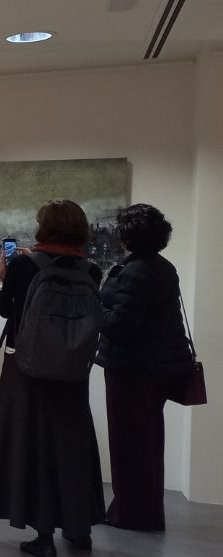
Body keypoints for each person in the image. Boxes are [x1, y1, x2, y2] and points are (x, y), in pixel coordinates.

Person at [0, 199, 105, 557]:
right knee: (72, 447)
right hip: (73, 373)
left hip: (27, 369)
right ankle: (79, 530)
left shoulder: (23, 265)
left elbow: (6, 308)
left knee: (32, 445)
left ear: (44, 228)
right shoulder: (91, 270)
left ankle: (44, 537)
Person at [95, 204, 193, 532]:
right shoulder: (162, 267)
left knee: (129, 443)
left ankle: (130, 515)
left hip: (132, 369)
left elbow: (120, 324)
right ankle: (146, 513)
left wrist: (93, 309)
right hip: (156, 368)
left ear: (129, 235)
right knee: (148, 442)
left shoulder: (136, 271)